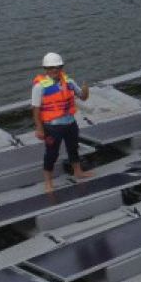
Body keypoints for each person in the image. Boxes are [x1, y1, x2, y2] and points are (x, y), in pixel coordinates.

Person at [32, 52, 91, 192]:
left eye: (57, 67)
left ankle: (78, 172)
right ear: (45, 69)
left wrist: (85, 90)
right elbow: (35, 109)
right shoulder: (39, 86)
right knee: (52, 153)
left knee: (73, 148)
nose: (54, 70)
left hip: (70, 123)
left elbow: (82, 97)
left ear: (61, 67)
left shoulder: (69, 82)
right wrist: (39, 128)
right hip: (52, 127)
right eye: (51, 67)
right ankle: (48, 182)